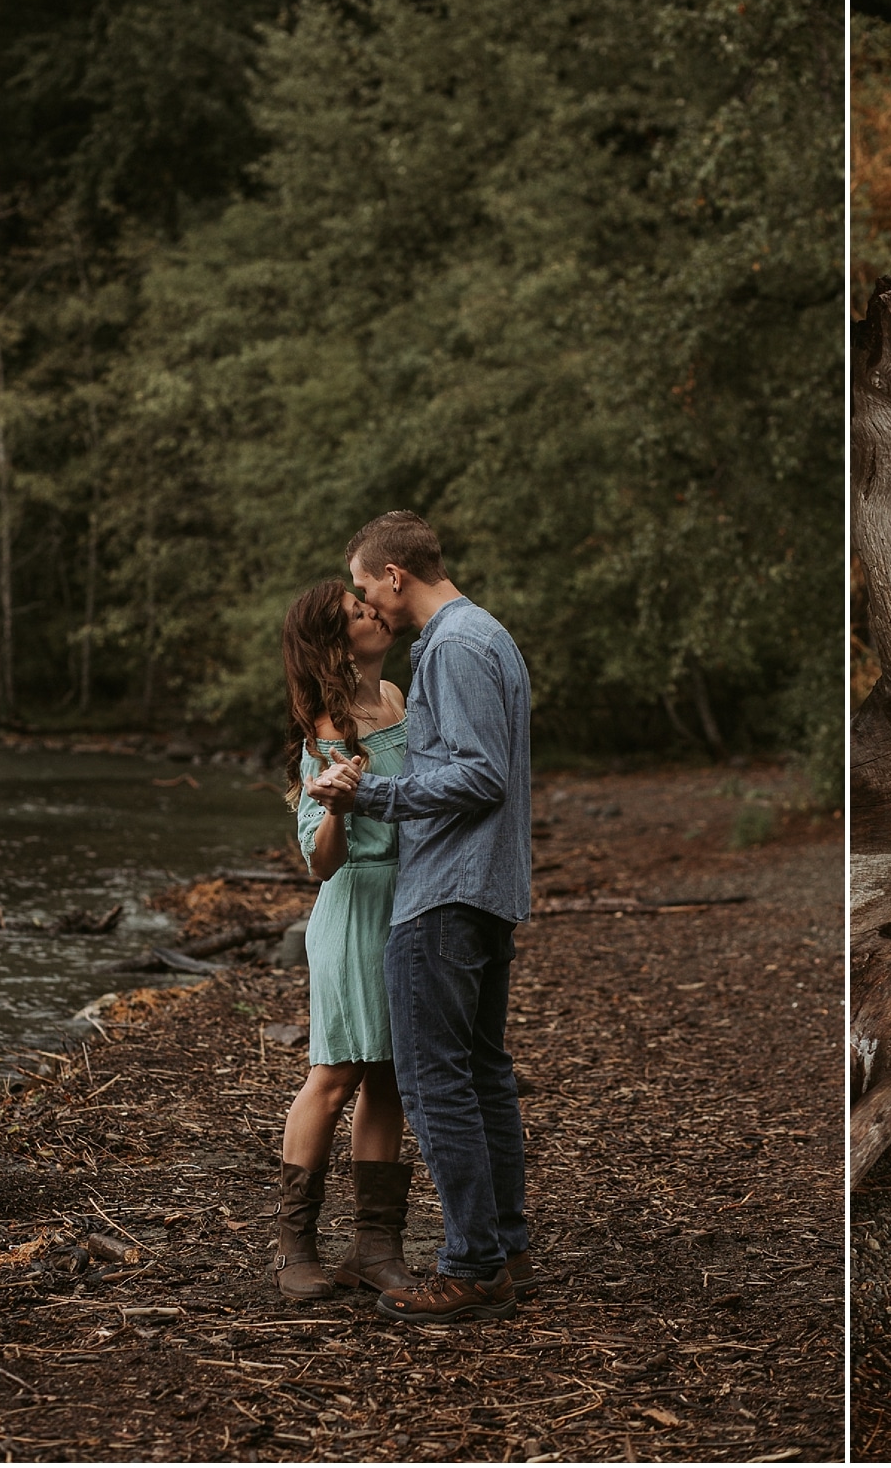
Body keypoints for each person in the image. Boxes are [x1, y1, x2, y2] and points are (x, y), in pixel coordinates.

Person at [306, 510, 535, 1324]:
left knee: (441, 1083)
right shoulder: (486, 637)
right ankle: (503, 1246)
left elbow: (478, 776)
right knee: (479, 1074)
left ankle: (475, 1264)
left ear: (395, 576)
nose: (369, 604)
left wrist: (373, 793)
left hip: (444, 893)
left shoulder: (455, 645)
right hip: (482, 888)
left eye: (368, 588)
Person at [271, 582, 417, 1301]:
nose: (376, 614)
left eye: (371, 605)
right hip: (354, 906)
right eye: (360, 613)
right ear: (334, 642)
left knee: (390, 1073)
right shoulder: (323, 729)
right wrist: (332, 803)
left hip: (410, 902)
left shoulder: (394, 698)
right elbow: (321, 863)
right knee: (335, 1075)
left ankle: (374, 1247)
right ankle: (294, 1242)